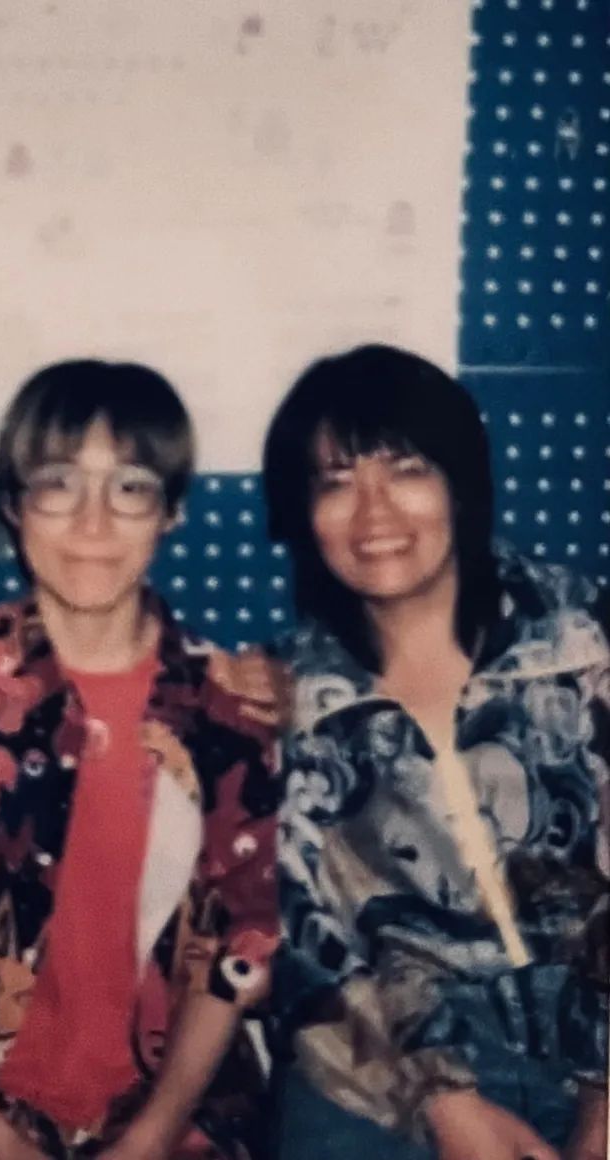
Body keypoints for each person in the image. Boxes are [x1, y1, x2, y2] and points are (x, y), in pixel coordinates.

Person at [0, 359, 281, 1159]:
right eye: (58, 485)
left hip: (174, 1104)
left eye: (130, 488)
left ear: (172, 511)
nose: (92, 523)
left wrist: (151, 1137)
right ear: (14, 504)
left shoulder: (228, 711)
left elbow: (234, 952)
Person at [261, 344, 609, 1160]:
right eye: (336, 481)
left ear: (460, 483)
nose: (373, 512)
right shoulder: (285, 702)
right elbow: (303, 948)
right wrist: (442, 1101)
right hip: (389, 1058)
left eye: (406, 470)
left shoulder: (584, 641)